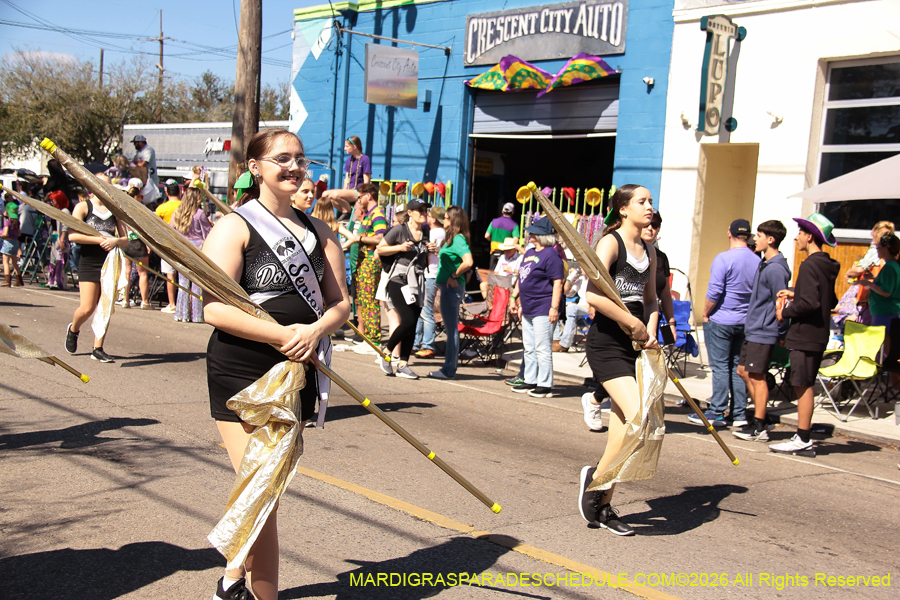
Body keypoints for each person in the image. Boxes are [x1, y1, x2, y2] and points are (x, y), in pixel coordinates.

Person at [201, 128, 350, 600]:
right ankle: (245, 588)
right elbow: (214, 309)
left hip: (296, 373)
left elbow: (340, 305)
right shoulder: (235, 227)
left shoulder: (320, 232)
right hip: (241, 371)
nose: (294, 167)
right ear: (255, 167)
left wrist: (315, 331)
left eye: (300, 159)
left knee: (266, 488)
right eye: (282, 158)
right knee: (263, 489)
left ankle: (232, 579)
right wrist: (284, 334)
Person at [578, 184, 658, 536]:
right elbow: (593, 295)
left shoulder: (649, 249)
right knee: (639, 417)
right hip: (608, 343)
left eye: (651, 201)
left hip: (635, 345)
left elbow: (651, 299)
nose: (649, 206)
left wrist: (649, 330)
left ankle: (603, 504)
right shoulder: (611, 243)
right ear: (623, 209)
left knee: (624, 432)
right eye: (642, 201)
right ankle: (596, 482)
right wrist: (632, 322)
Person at [771, 213, 840, 457]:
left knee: (802, 385)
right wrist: (795, 292)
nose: (797, 237)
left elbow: (810, 303)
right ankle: (803, 436)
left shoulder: (810, 264)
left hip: (805, 333)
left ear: (810, 236)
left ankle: (802, 438)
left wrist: (785, 312)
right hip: (818, 333)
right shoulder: (826, 264)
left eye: (800, 232)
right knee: (804, 383)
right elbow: (829, 300)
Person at [689, 219, 760, 428]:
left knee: (720, 366)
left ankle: (716, 410)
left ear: (730, 233)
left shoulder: (723, 258)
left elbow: (715, 291)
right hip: (745, 320)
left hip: (722, 319)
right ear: (749, 236)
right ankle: (738, 413)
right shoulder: (756, 260)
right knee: (738, 367)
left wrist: (705, 313)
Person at [733, 220, 791, 442]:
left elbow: (781, 302)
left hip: (764, 330)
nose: (754, 239)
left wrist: (782, 332)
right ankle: (760, 415)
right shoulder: (764, 263)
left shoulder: (776, 269)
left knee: (758, 377)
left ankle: (759, 426)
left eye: (758, 235)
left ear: (771, 239)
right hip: (754, 328)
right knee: (743, 371)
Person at [65, 177, 129, 363]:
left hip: (109, 262)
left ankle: (98, 348)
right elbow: (73, 236)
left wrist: (115, 241)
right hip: (89, 260)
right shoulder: (83, 207)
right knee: (87, 307)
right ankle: (73, 329)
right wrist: (100, 239)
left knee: (105, 306)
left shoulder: (114, 209)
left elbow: (125, 239)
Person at [375, 198, 431, 379]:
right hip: (399, 279)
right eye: (420, 210)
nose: (423, 213)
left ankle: (403, 364)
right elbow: (380, 249)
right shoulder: (399, 230)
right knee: (407, 319)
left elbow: (424, 257)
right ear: (410, 213)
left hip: (418, 280)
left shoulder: (426, 231)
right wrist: (400, 247)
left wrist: (430, 249)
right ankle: (386, 352)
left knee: (413, 324)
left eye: (425, 210)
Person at [510, 218, 564, 397]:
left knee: (542, 347)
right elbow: (522, 278)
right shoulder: (529, 253)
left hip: (543, 306)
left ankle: (545, 384)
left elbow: (558, 283)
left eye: (534, 232)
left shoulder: (551, 254)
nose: (530, 235)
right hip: (528, 306)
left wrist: (554, 308)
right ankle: (530, 379)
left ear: (543, 235)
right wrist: (515, 298)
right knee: (529, 347)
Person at [428, 206, 473, 380]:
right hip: (448, 287)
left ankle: (449, 369)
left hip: (451, 288)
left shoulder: (458, 238)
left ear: (454, 220)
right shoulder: (452, 238)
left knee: (452, 329)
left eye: (447, 218)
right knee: (451, 328)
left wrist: (454, 275)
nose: (443, 220)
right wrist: (438, 252)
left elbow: (468, 261)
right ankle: (449, 368)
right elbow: (453, 258)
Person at [351, 183, 387, 345]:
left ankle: (374, 340)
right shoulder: (369, 215)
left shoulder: (377, 214)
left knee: (370, 301)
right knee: (364, 301)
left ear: (368, 195)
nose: (359, 200)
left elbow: (381, 238)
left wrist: (360, 238)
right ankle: (369, 338)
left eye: (360, 197)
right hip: (364, 262)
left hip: (371, 262)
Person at [170, 185, 212, 323]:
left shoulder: (177, 212)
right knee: (197, 283)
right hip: (198, 249)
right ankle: (197, 314)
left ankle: (182, 313)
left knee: (183, 283)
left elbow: (171, 230)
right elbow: (207, 234)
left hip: (182, 247)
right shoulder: (199, 214)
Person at [859, 231, 900, 362]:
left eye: (878, 247)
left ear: (885, 249)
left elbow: (886, 291)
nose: (876, 250)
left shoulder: (890, 267)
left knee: (883, 350)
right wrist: (872, 278)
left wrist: (869, 284)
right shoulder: (893, 266)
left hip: (885, 313)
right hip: (887, 312)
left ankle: (881, 371)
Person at [413, 205, 446, 359]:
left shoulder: (433, 233)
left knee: (426, 312)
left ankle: (427, 345)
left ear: (432, 218)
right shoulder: (443, 233)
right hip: (434, 274)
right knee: (422, 310)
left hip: (431, 274)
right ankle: (416, 343)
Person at [643, 210, 675, 338]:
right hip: (630, 318)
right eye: (646, 224)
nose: (650, 228)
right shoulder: (627, 252)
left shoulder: (662, 258)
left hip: (652, 321)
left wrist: (671, 324)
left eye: (655, 225)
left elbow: (665, 295)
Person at [155, 181, 182, 313]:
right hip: (183, 243)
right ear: (179, 191)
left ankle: (172, 304)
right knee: (184, 277)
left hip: (167, 243)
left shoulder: (161, 208)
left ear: (166, 192)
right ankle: (184, 304)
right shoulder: (184, 205)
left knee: (170, 275)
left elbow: (155, 226)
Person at [46, 191, 71, 290]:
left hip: (61, 240)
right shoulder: (57, 210)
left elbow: (65, 227)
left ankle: (59, 282)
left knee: (61, 262)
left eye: (53, 200)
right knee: (53, 261)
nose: (52, 202)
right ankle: (52, 281)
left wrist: (62, 240)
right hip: (55, 239)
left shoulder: (65, 211)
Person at [131, 134, 160, 206]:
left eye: (135, 143)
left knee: (149, 200)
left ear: (140, 142)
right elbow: (132, 162)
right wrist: (137, 162)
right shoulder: (137, 152)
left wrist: (137, 162)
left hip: (150, 180)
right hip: (141, 178)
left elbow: (142, 164)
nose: (134, 145)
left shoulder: (148, 149)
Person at [1, 201, 24, 287]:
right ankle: (19, 280)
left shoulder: (7, 222)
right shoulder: (17, 222)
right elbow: (19, 234)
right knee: (14, 262)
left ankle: (7, 280)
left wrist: (1, 234)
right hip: (15, 243)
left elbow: (5, 233)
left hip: (8, 243)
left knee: (5, 262)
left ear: (7, 211)